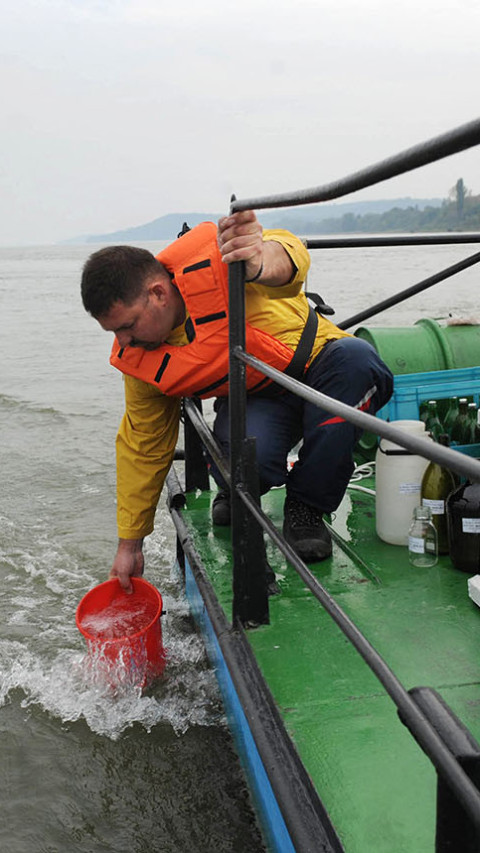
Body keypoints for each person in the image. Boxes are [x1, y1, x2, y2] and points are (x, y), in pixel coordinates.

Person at [81, 210, 393, 590]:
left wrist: (259, 262)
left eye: (127, 326)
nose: (124, 342)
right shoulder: (143, 359)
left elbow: (290, 252)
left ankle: (306, 508)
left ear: (158, 294)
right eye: (115, 333)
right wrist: (129, 544)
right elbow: (142, 446)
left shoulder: (229, 260)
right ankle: (232, 490)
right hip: (255, 394)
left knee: (358, 365)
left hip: (321, 365)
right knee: (246, 455)